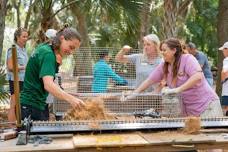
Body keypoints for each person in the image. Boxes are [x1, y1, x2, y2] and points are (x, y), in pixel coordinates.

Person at [125, 38, 223, 117]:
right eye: (161, 50)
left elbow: (198, 77)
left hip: (207, 107)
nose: (162, 53)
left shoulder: (188, 59)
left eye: (164, 50)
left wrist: (177, 89)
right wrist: (134, 94)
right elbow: (149, 80)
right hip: (190, 111)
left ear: (174, 50)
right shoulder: (164, 65)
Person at [20, 27, 85, 121]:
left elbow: (48, 83)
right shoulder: (48, 55)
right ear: (62, 38)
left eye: (73, 50)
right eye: (71, 47)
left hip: (34, 104)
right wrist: (71, 99)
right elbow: (48, 85)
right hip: (32, 106)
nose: (71, 52)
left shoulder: (45, 49)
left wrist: (69, 95)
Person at [6, 27, 29, 122]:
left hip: (23, 80)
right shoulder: (12, 49)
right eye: (23, 36)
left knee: (19, 105)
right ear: (17, 37)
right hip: (15, 80)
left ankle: (18, 125)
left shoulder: (23, 50)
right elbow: (10, 67)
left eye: (27, 37)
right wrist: (25, 67)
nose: (26, 39)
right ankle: (12, 127)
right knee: (14, 104)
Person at [219, 41, 228, 116]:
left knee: (226, 109)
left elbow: (225, 72)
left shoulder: (226, 60)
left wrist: (222, 81)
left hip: (227, 90)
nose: (222, 52)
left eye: (223, 50)